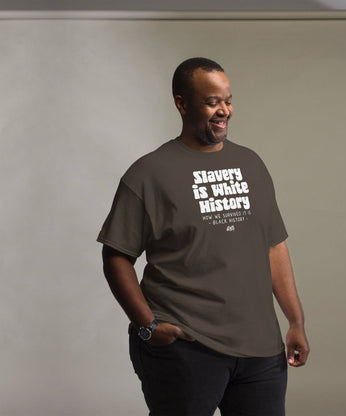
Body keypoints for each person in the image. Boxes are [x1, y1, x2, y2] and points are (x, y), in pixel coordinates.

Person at [97, 57, 309, 416]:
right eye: (212, 102)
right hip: (186, 348)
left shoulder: (251, 164)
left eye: (227, 100)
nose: (223, 110)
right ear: (182, 103)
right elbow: (116, 256)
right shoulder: (149, 174)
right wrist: (148, 327)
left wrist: (295, 321)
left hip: (260, 351)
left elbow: (274, 247)